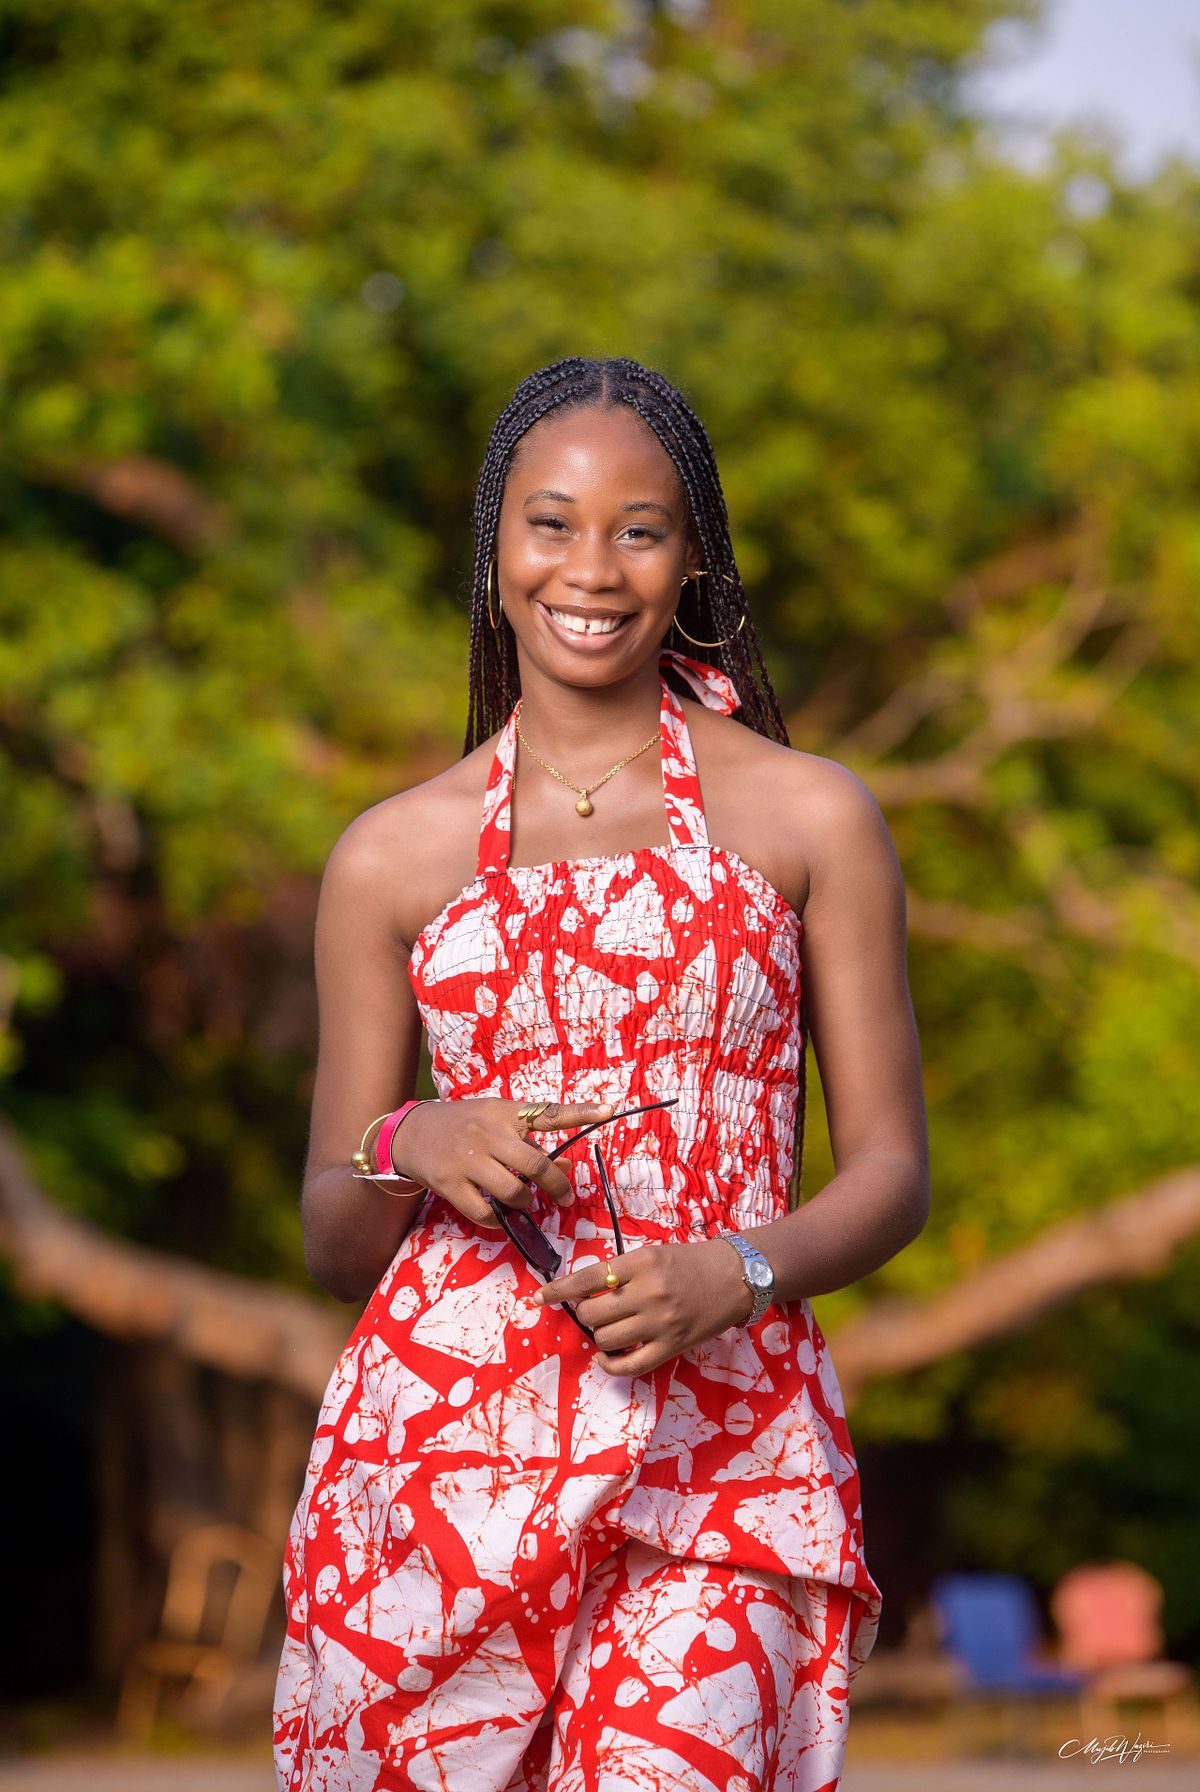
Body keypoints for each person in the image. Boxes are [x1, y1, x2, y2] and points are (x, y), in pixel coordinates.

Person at [272, 355, 929, 1792]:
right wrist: (409, 1137)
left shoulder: (810, 814)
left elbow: (891, 1173)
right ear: (494, 551)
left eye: (640, 530)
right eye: (552, 523)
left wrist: (737, 1272)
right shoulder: (391, 854)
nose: (592, 568)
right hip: (444, 1459)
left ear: (692, 562)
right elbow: (333, 1235)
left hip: (724, 1450)